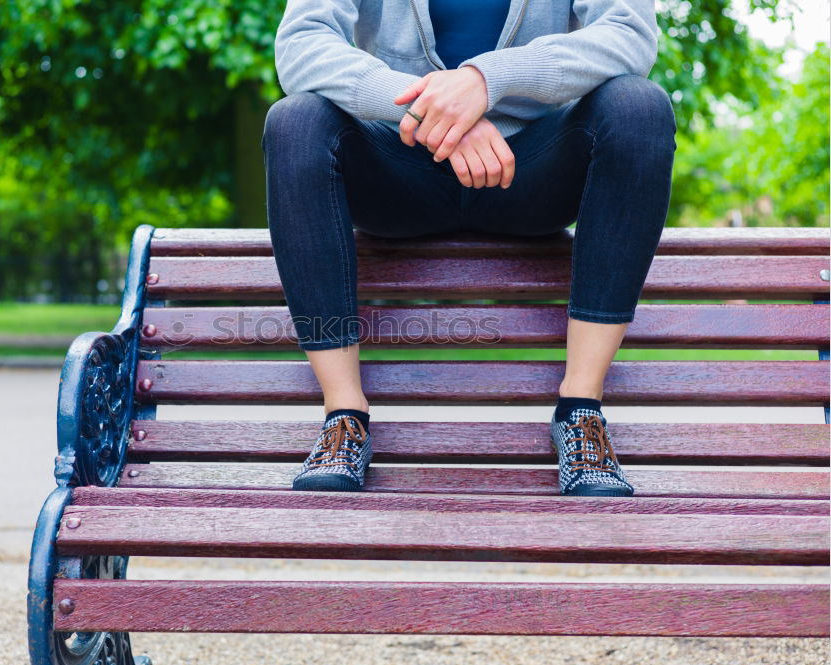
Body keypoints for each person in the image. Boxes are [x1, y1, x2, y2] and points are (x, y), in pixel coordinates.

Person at [261, 0, 677, 496]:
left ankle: (581, 410)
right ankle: (343, 415)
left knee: (639, 106)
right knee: (294, 120)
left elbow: (629, 35)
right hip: (398, 165)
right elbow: (301, 44)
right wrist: (433, 110)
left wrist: (486, 81)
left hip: (529, 171)